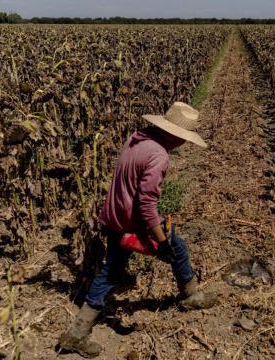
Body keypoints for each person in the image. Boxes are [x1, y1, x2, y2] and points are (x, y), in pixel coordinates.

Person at [58, 102, 217, 358]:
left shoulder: (137, 138)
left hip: (113, 216)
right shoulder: (159, 156)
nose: (185, 144)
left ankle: (77, 332)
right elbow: (146, 204)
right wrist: (161, 241)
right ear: (175, 135)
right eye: (185, 138)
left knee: (111, 271)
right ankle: (190, 296)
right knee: (176, 247)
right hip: (131, 222)